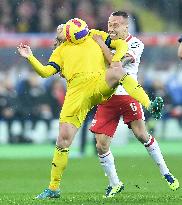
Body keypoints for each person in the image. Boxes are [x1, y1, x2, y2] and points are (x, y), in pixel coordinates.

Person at [17, 18, 163, 199]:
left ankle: (149, 105)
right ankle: (53, 188)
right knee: (63, 140)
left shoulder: (94, 34)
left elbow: (120, 45)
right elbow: (46, 72)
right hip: (76, 95)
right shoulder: (61, 51)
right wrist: (30, 56)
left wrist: (116, 60)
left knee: (117, 72)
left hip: (97, 84)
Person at [89, 11, 179, 198]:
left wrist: (99, 44)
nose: (111, 28)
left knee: (141, 135)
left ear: (126, 27)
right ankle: (115, 183)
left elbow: (117, 63)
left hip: (128, 95)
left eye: (116, 25)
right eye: (109, 24)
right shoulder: (104, 40)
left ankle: (166, 173)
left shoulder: (136, 43)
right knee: (100, 145)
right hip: (107, 97)